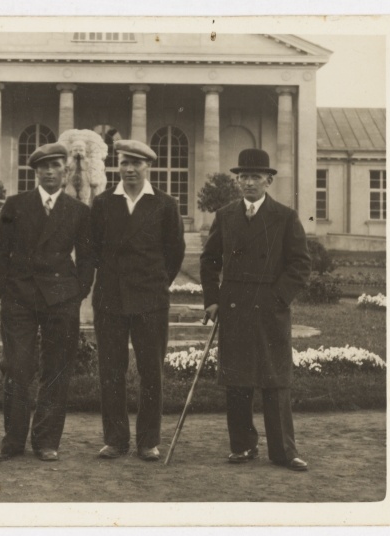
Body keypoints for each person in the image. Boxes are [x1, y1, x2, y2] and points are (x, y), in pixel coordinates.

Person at [199, 148, 311, 472]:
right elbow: (209, 261)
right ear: (237, 180)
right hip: (234, 306)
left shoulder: (285, 217)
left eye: (256, 176)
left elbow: (301, 265)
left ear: (268, 180)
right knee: (237, 379)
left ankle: (283, 451)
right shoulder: (225, 215)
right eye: (243, 176)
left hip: (269, 307)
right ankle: (243, 446)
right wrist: (212, 299)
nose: (249, 182)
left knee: (275, 380)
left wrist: (279, 299)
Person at [0, 142, 94, 462]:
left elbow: (88, 260)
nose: (49, 172)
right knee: (17, 368)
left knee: (57, 370)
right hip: (20, 298)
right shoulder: (16, 205)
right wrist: (7, 293)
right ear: (34, 172)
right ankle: (13, 441)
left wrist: (76, 294)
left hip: (60, 299)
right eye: (42, 167)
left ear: (66, 172)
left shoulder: (78, 211)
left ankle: (46, 440)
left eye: (55, 166)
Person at [90, 139, 186, 462]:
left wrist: (155, 284)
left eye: (137, 163)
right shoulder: (103, 203)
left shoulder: (165, 205)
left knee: (151, 372)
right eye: (124, 163)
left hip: (150, 301)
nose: (129, 169)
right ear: (117, 166)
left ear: (148, 166)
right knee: (111, 371)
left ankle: (148, 441)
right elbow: (92, 251)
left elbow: (175, 254)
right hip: (110, 301)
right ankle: (115, 440)